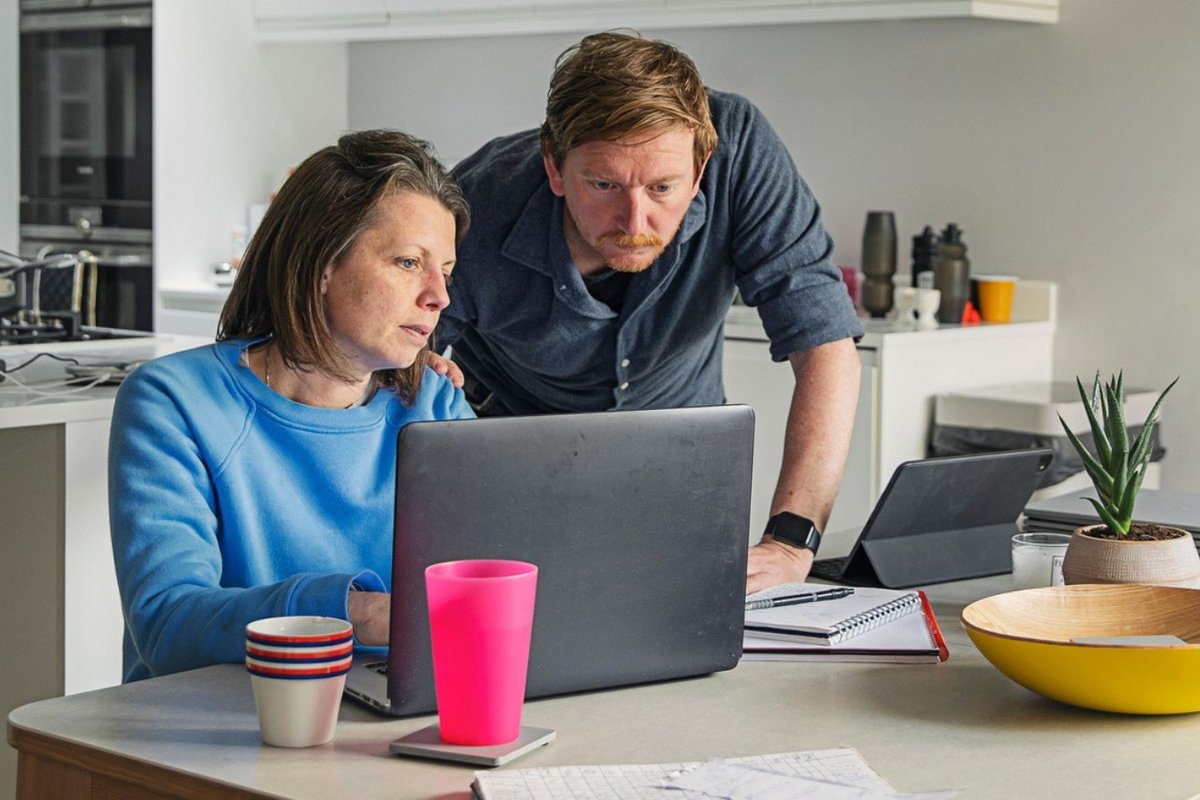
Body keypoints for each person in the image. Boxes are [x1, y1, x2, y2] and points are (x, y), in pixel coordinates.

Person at [435, 32, 863, 593]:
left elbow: (827, 346)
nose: (634, 222)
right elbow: (388, 363)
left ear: (702, 166)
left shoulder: (741, 152)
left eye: (663, 187)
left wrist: (791, 541)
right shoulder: (473, 208)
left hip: (686, 479)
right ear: (554, 166)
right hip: (513, 486)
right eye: (604, 184)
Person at [109, 130, 474, 682]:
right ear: (321, 264)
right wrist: (359, 614)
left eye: (444, 272)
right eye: (407, 262)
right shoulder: (172, 401)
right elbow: (168, 625)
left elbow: (490, 583)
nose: (438, 296)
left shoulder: (435, 402)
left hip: (385, 726)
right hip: (211, 729)